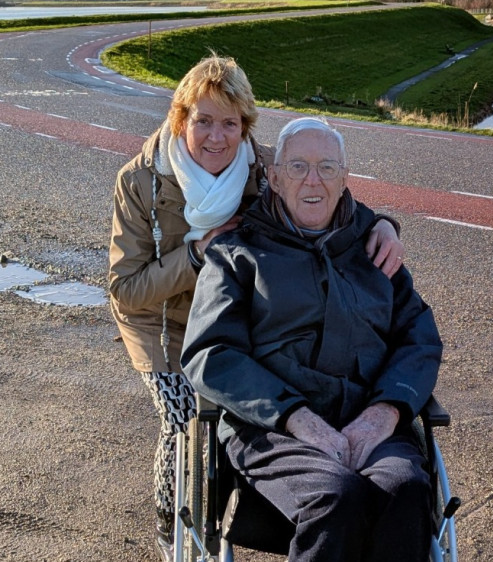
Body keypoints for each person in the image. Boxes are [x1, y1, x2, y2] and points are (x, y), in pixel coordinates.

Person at [107, 56, 405, 561]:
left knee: (252, 401)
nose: (216, 137)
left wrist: (384, 224)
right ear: (182, 120)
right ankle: (172, 522)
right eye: (203, 120)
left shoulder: (264, 168)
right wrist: (199, 254)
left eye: (230, 123)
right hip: (167, 328)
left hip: (241, 320)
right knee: (183, 419)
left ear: (245, 128)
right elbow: (126, 289)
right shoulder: (141, 183)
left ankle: (280, 507)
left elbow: (320, 189)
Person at [182, 116, 442, 562]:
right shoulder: (237, 253)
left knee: (405, 489)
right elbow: (210, 352)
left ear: (345, 179)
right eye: (298, 167)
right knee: (334, 496)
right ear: (276, 178)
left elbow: (419, 339)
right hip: (272, 427)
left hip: (367, 418)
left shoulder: (374, 250)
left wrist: (384, 413)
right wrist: (295, 416)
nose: (313, 180)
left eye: (326, 167)